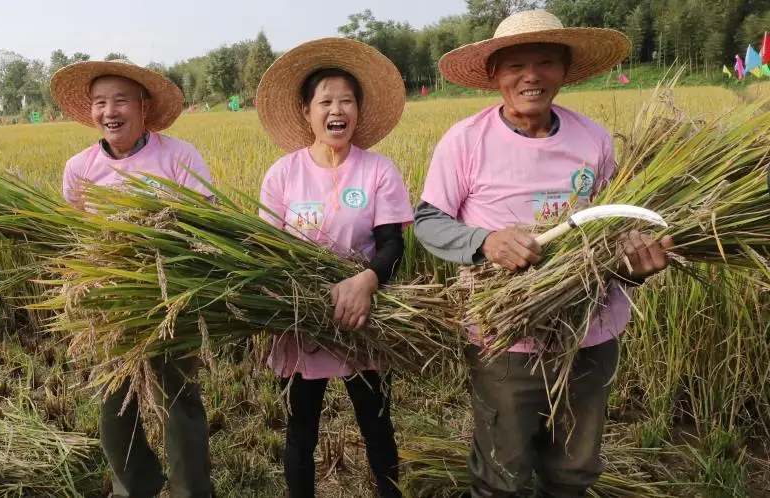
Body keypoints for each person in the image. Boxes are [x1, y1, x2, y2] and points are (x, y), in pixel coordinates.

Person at [414, 10, 673, 498]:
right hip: (503, 337)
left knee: (573, 473)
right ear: (494, 74)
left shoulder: (593, 139)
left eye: (545, 62)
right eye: (515, 65)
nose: (530, 76)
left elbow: (618, 226)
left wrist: (636, 266)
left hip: (590, 335)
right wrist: (484, 242)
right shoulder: (465, 141)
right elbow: (428, 222)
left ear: (565, 70)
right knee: (502, 475)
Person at [51, 59, 214, 498]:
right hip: (110, 306)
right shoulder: (79, 169)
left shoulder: (179, 156)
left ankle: (190, 490)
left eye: (120, 100)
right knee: (112, 406)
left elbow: (208, 226)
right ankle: (134, 487)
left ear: (143, 105)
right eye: (100, 102)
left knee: (178, 403)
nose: (110, 111)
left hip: (170, 298)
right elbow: (75, 239)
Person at [256, 38, 411, 498]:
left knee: (376, 423)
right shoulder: (282, 174)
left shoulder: (379, 170)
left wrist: (365, 282)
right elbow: (271, 250)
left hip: (364, 313)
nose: (336, 109)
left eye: (347, 100)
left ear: (358, 111)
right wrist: (298, 296)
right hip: (303, 318)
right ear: (307, 111)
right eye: (326, 100)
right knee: (301, 428)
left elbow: (391, 244)